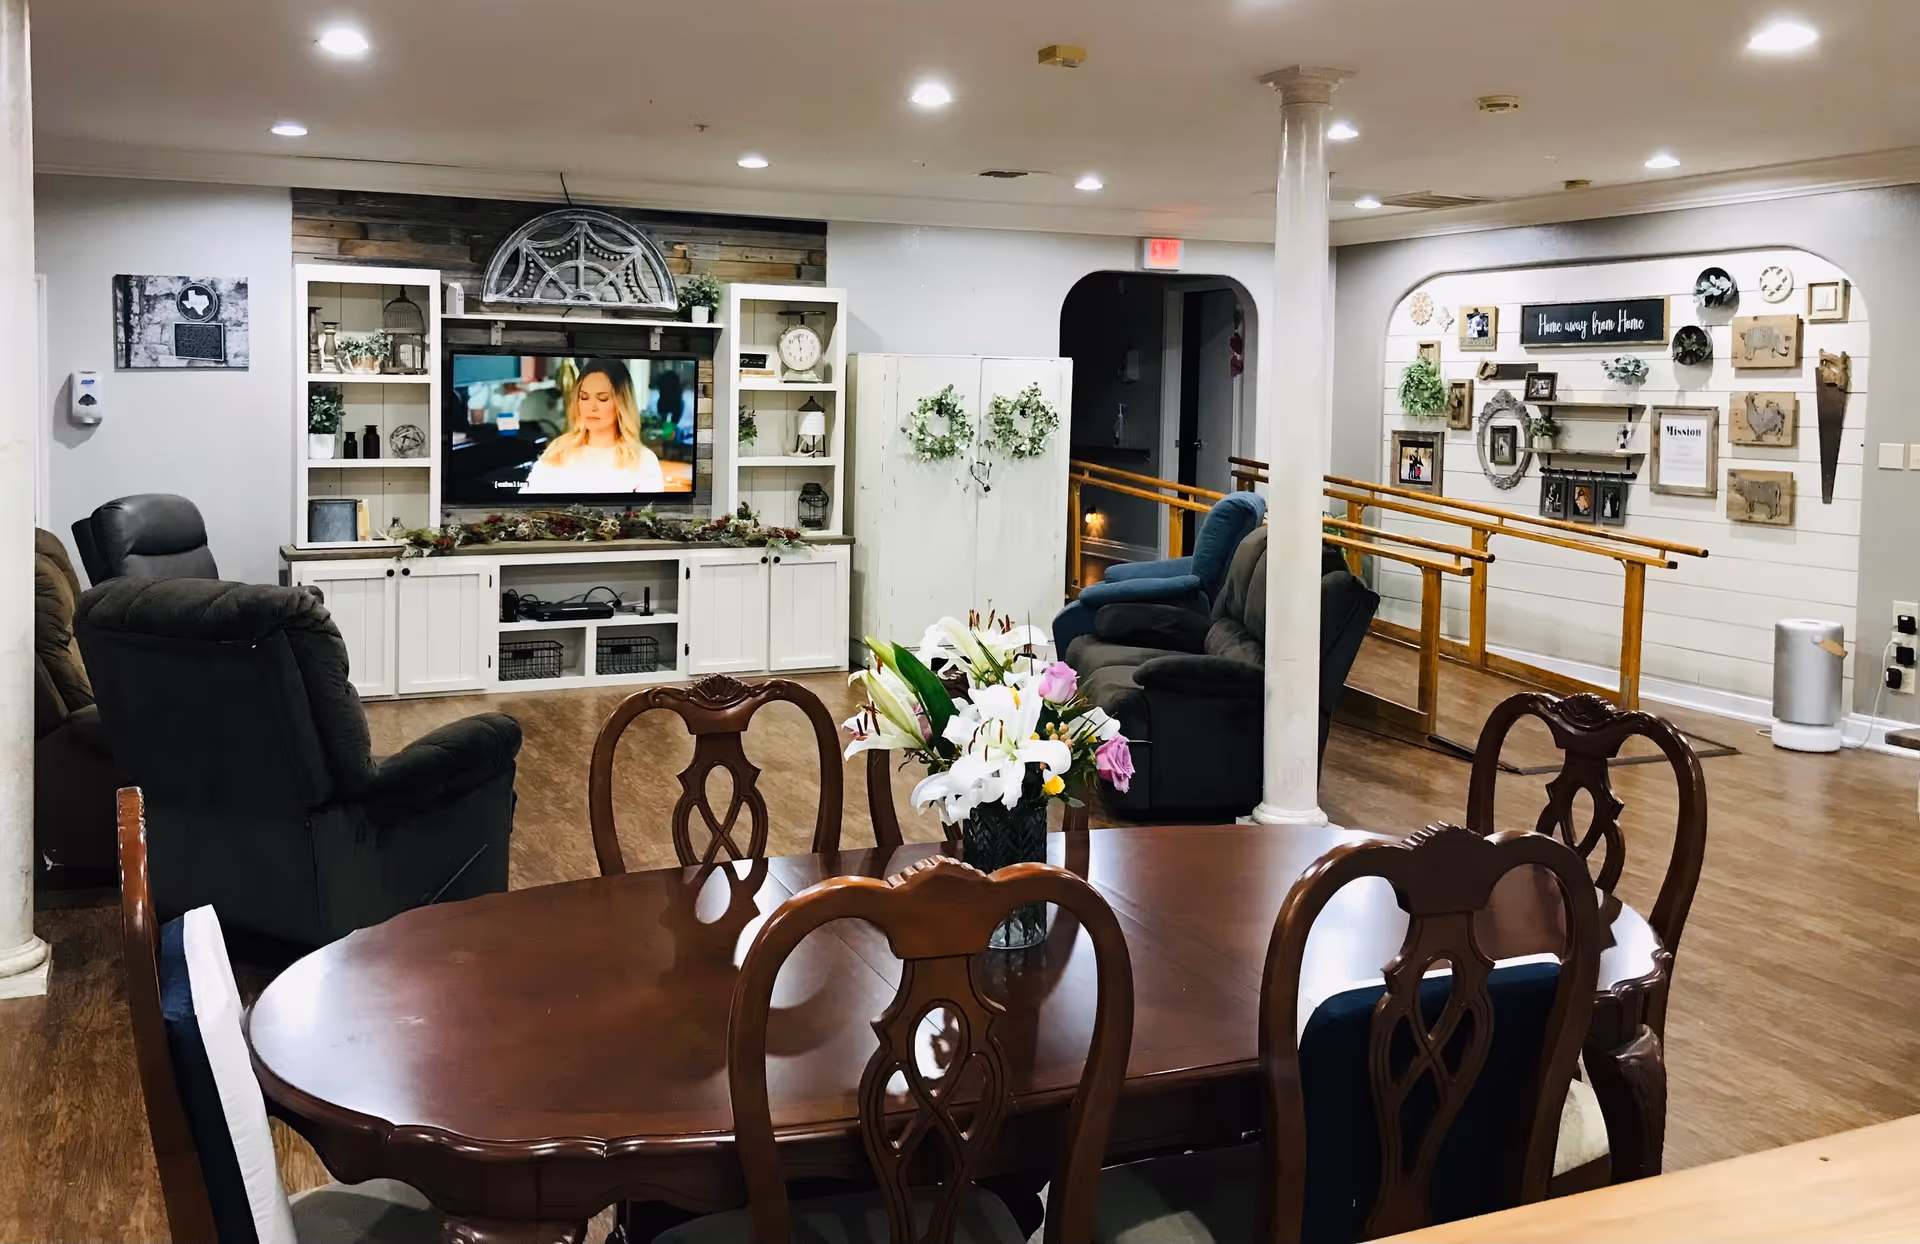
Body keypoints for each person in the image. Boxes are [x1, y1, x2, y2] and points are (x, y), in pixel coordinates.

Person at [523, 359, 666, 494]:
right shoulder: (558, 450)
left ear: (622, 403)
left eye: (602, 398)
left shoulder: (643, 460)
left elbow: (650, 517)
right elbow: (526, 503)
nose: (592, 407)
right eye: (584, 397)